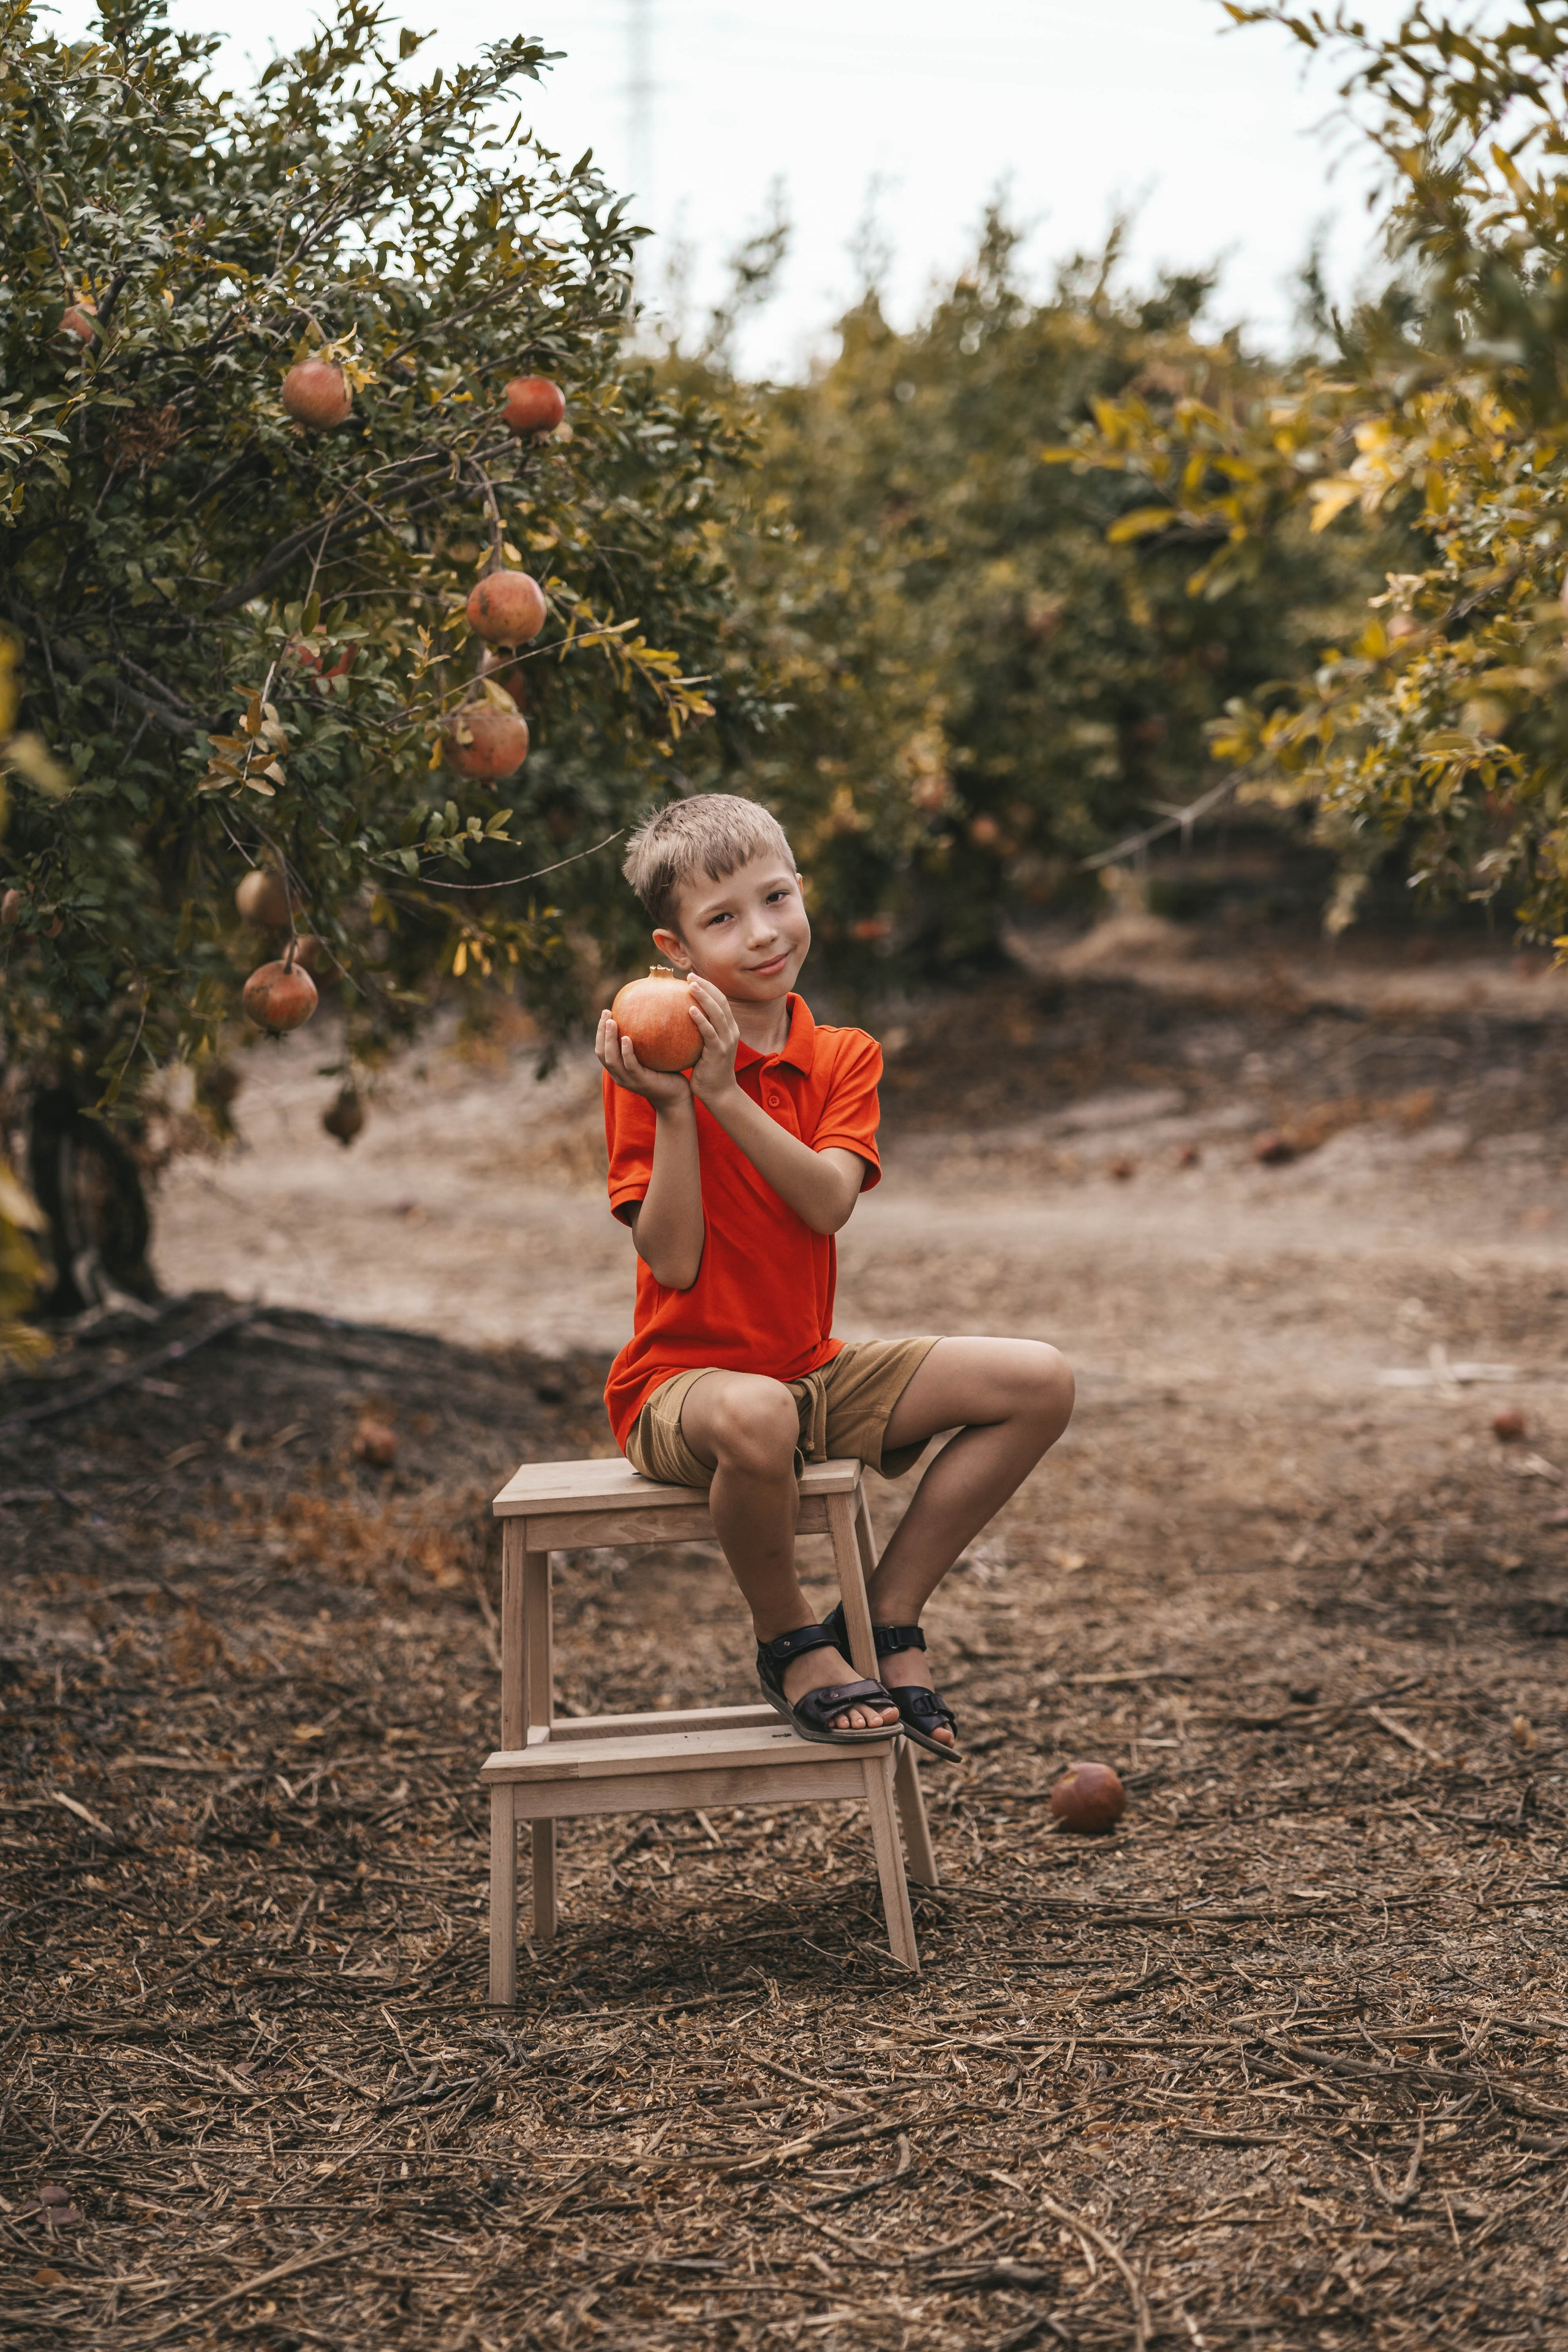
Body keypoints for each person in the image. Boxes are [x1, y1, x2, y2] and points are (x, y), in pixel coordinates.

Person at [595, 794, 1074, 1757]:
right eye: (722, 919)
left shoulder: (843, 1057)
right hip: (682, 1391)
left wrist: (725, 1093)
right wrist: (683, 1107)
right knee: (758, 1414)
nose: (764, 934)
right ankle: (790, 1638)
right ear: (674, 949)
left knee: (1039, 1381)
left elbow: (826, 1201)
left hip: (808, 1369)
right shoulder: (645, 1060)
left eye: (775, 898)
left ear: (802, 890)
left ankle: (884, 1616)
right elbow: (674, 1260)